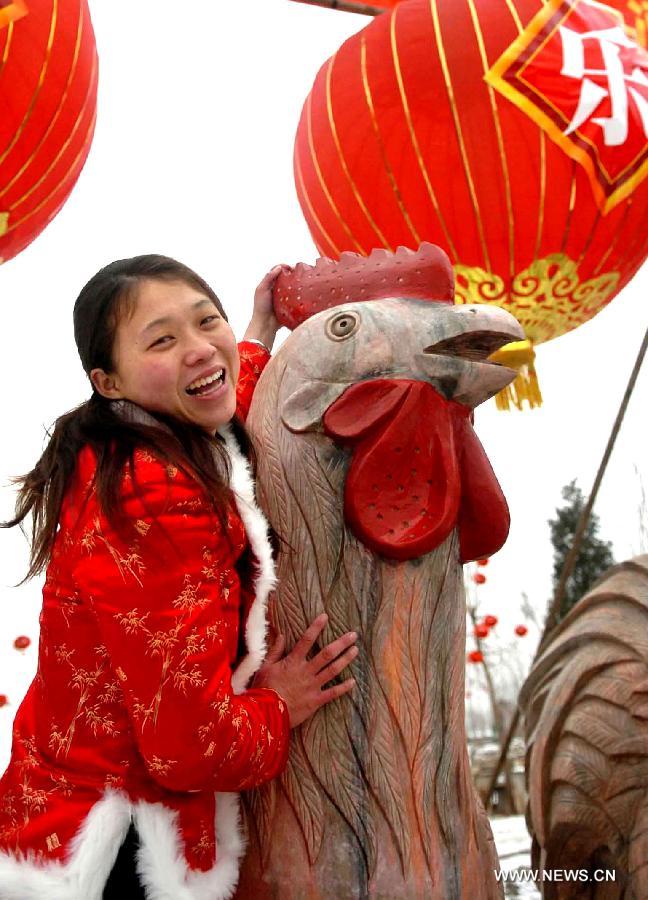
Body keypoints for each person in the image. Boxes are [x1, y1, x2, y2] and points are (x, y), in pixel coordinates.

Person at [0, 255, 358, 900]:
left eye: (205, 320)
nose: (198, 350)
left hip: (61, 815)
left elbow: (219, 389)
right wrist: (281, 703)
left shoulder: (142, 440)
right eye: (162, 339)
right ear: (108, 381)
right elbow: (191, 748)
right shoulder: (154, 500)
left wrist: (254, 333)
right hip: (119, 854)